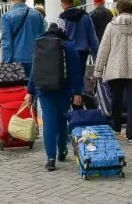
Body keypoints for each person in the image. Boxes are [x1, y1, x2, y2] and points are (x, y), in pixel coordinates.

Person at [23, 18, 83, 171]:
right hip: (64, 89)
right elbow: (76, 73)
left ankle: (50, 158)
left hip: (44, 90)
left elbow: (35, 70)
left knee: (49, 122)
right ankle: (62, 151)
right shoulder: (69, 45)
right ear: (64, 30)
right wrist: (77, 92)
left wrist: (30, 91)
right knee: (62, 120)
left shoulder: (39, 43)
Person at [94, 0, 132, 141]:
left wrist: (98, 70)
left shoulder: (111, 26)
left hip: (115, 69)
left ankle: (116, 127)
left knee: (116, 99)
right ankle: (131, 134)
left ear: (118, 10)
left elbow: (103, 49)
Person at [0, 0, 46, 77]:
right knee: (33, 89)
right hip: (35, 58)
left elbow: (6, 42)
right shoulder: (38, 15)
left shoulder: (7, 16)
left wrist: (5, 63)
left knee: (17, 89)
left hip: (16, 60)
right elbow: (43, 38)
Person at [60, 0, 99, 64]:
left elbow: (59, 36)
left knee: (70, 73)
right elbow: (92, 36)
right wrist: (95, 53)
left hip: (68, 51)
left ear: (63, 3)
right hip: (83, 51)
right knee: (81, 73)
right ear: (73, 2)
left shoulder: (62, 18)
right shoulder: (85, 16)